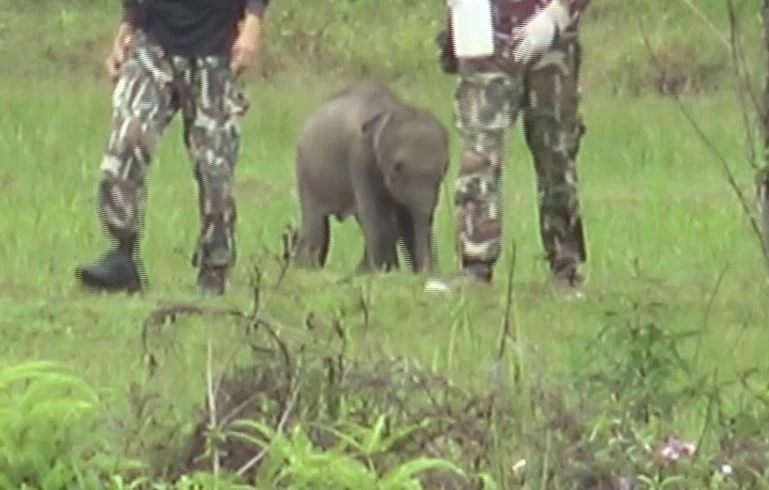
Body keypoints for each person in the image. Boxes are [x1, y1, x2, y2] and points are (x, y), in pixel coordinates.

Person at [75, 0, 270, 296]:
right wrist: (127, 27)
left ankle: (214, 267)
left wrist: (253, 22)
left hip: (215, 48)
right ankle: (122, 255)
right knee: (126, 142)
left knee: (214, 169)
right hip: (153, 43)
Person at [429, 0, 591, 299]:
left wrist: (559, 13)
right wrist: (454, 27)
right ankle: (475, 267)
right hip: (484, 38)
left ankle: (565, 269)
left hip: (550, 41)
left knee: (556, 154)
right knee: (479, 155)